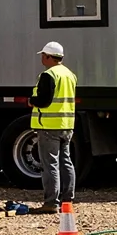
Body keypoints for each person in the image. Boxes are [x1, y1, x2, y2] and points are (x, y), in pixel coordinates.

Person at [29, 40, 75, 214]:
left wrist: (31, 101)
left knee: (50, 165)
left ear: (49, 57)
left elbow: (44, 101)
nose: (42, 59)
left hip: (49, 126)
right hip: (66, 125)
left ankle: (51, 203)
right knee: (66, 162)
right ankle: (67, 200)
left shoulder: (48, 75)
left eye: (43, 55)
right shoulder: (69, 74)